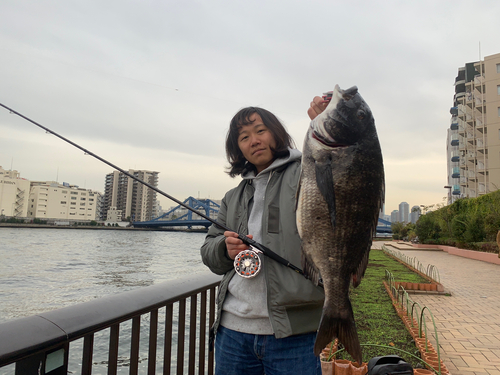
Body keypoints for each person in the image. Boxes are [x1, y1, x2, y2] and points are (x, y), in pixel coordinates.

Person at [200, 97, 328, 375]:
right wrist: (225, 248)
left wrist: (323, 123)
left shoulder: (306, 174)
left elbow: (334, 168)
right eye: (244, 137)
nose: (254, 140)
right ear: (238, 148)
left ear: (276, 133)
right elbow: (209, 251)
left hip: (295, 333)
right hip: (232, 332)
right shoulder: (232, 198)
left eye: (260, 131)